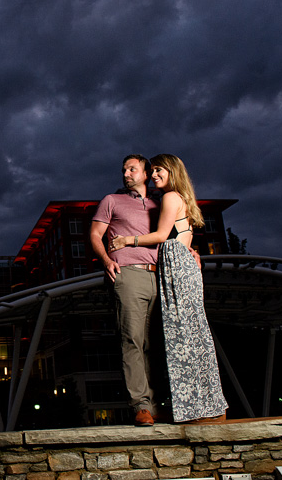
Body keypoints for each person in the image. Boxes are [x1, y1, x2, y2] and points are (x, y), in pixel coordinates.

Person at [110, 153, 228, 424]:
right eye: (152, 171)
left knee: (183, 338)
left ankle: (198, 410)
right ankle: (210, 407)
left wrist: (127, 240)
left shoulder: (170, 197)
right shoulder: (182, 198)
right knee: (193, 335)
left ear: (173, 171)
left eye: (159, 170)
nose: (154, 175)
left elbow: (163, 236)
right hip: (183, 266)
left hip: (177, 269)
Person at [89, 154, 162, 426]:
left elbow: (173, 233)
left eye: (133, 169)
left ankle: (158, 405)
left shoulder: (161, 203)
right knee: (132, 340)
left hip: (161, 276)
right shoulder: (112, 200)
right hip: (129, 274)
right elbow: (96, 235)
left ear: (146, 173)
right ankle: (142, 406)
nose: (126, 173)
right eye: (124, 170)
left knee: (156, 343)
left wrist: (193, 250)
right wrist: (107, 260)